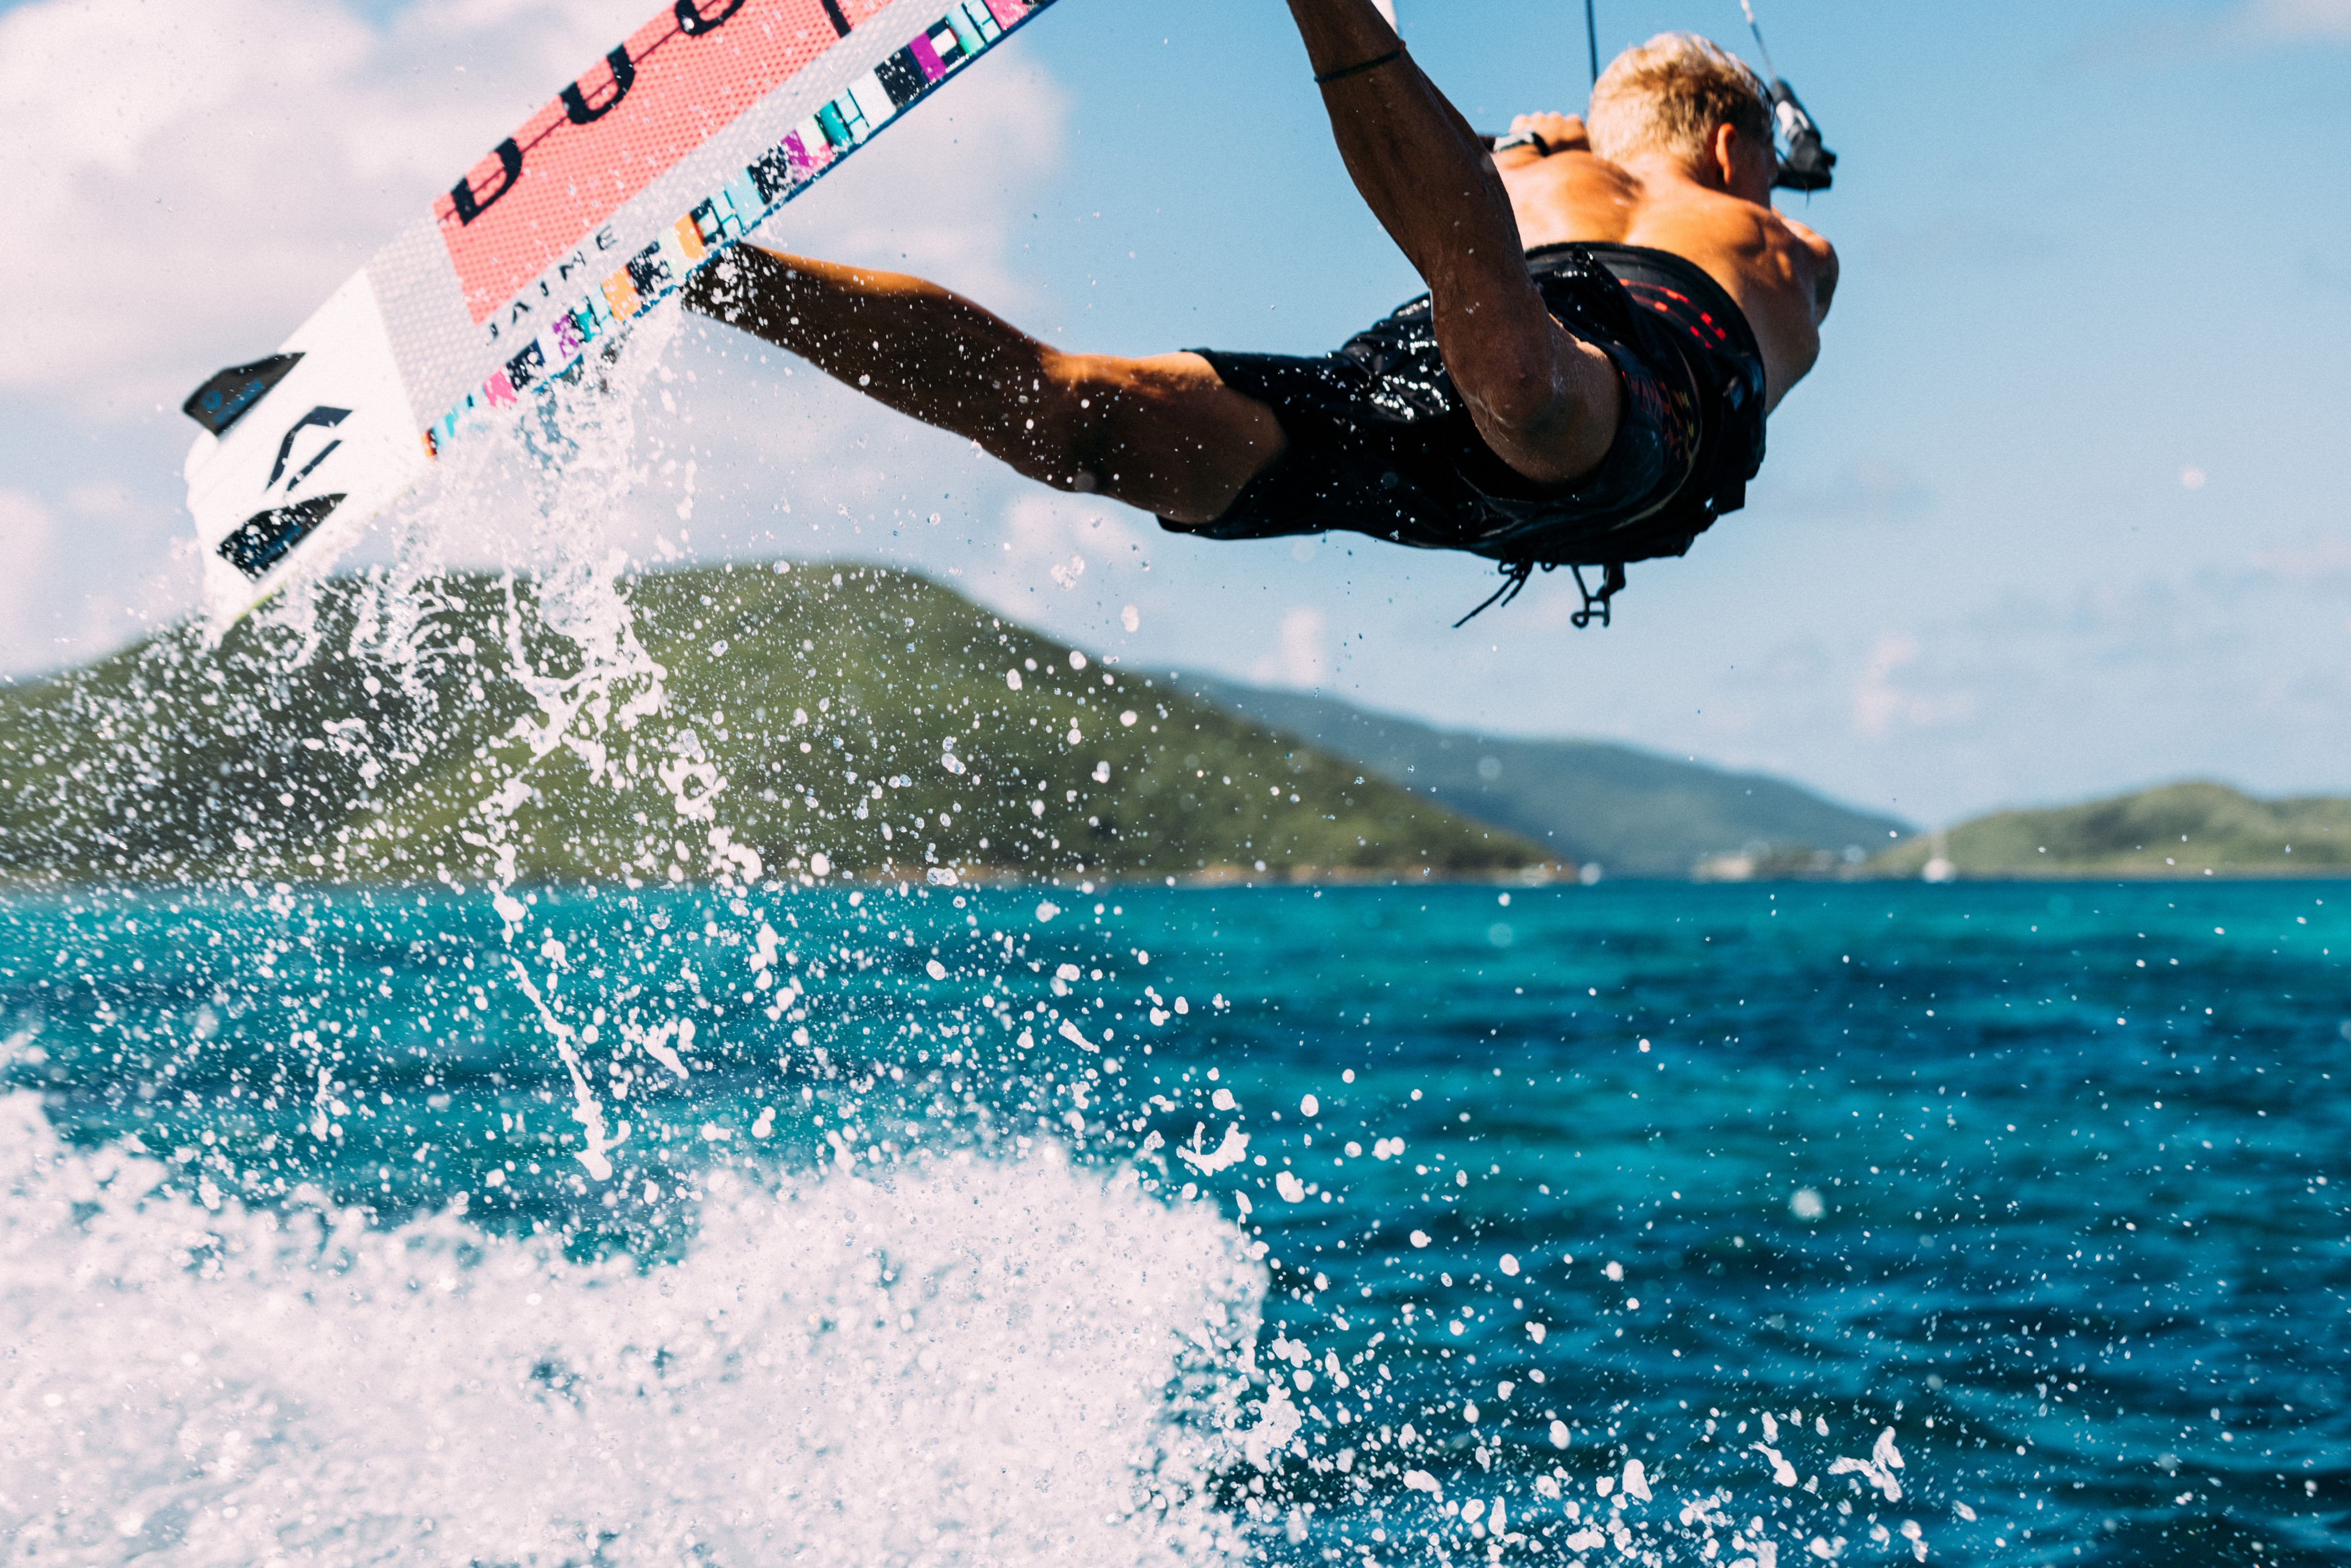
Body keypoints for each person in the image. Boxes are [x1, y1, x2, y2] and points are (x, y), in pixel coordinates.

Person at [684, 1, 1837, 620]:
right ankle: (707, 274)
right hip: (1462, 383)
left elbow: (1474, 152)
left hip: (1624, 390)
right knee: (1073, 420)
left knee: (1527, 378)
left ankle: (719, 280)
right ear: (1737, 147)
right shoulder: (1776, 230)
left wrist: (1551, 138)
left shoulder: (1542, 157)